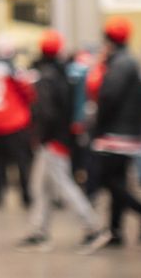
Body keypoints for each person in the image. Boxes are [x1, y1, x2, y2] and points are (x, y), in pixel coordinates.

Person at [16, 30, 111, 254]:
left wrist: (42, 137)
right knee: (41, 187)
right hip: (59, 138)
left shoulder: (46, 76)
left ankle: (94, 228)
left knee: (64, 187)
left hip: (52, 140)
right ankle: (39, 231)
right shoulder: (63, 72)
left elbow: (47, 112)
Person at [89, 17, 141, 247]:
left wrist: (97, 127)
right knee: (117, 179)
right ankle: (116, 231)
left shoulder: (119, 64)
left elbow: (108, 97)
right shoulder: (133, 62)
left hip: (115, 134)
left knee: (107, 179)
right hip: (129, 133)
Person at [0, 40, 34, 209]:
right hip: (14, 122)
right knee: (22, 162)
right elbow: (27, 92)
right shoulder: (12, 71)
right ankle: (26, 196)